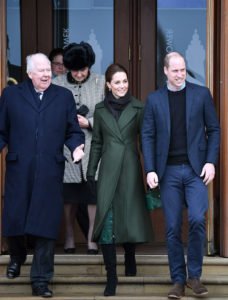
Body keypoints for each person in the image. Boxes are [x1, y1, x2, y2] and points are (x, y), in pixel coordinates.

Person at [0, 53, 85, 298]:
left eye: (49, 69)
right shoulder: (11, 95)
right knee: (15, 219)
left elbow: (73, 130)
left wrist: (77, 146)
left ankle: (40, 279)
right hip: (19, 169)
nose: (47, 74)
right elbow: (2, 130)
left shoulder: (63, 96)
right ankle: (17, 257)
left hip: (50, 169)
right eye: (41, 71)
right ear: (29, 74)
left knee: (46, 224)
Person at [141, 51, 220, 299]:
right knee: (173, 227)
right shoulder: (154, 100)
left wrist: (210, 162)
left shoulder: (201, 94)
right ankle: (177, 279)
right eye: (175, 70)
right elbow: (148, 135)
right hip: (169, 172)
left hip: (197, 170)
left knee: (197, 219)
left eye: (183, 70)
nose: (180, 74)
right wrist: (151, 169)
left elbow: (214, 130)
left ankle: (194, 276)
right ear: (165, 71)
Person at [87, 63, 152, 296]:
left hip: (131, 168)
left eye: (125, 81)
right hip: (107, 170)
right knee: (106, 220)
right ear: (108, 85)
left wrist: (151, 170)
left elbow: (146, 141)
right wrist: (90, 172)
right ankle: (111, 277)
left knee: (129, 216)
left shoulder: (139, 107)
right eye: (117, 82)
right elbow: (96, 143)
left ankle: (131, 256)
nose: (122, 86)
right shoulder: (100, 109)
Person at [53, 42, 105, 254]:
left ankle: (92, 237)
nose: (80, 74)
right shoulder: (57, 84)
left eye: (83, 69)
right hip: (66, 147)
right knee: (69, 195)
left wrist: (89, 122)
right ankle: (70, 235)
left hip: (94, 145)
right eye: (75, 70)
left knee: (92, 193)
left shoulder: (100, 82)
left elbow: (108, 113)